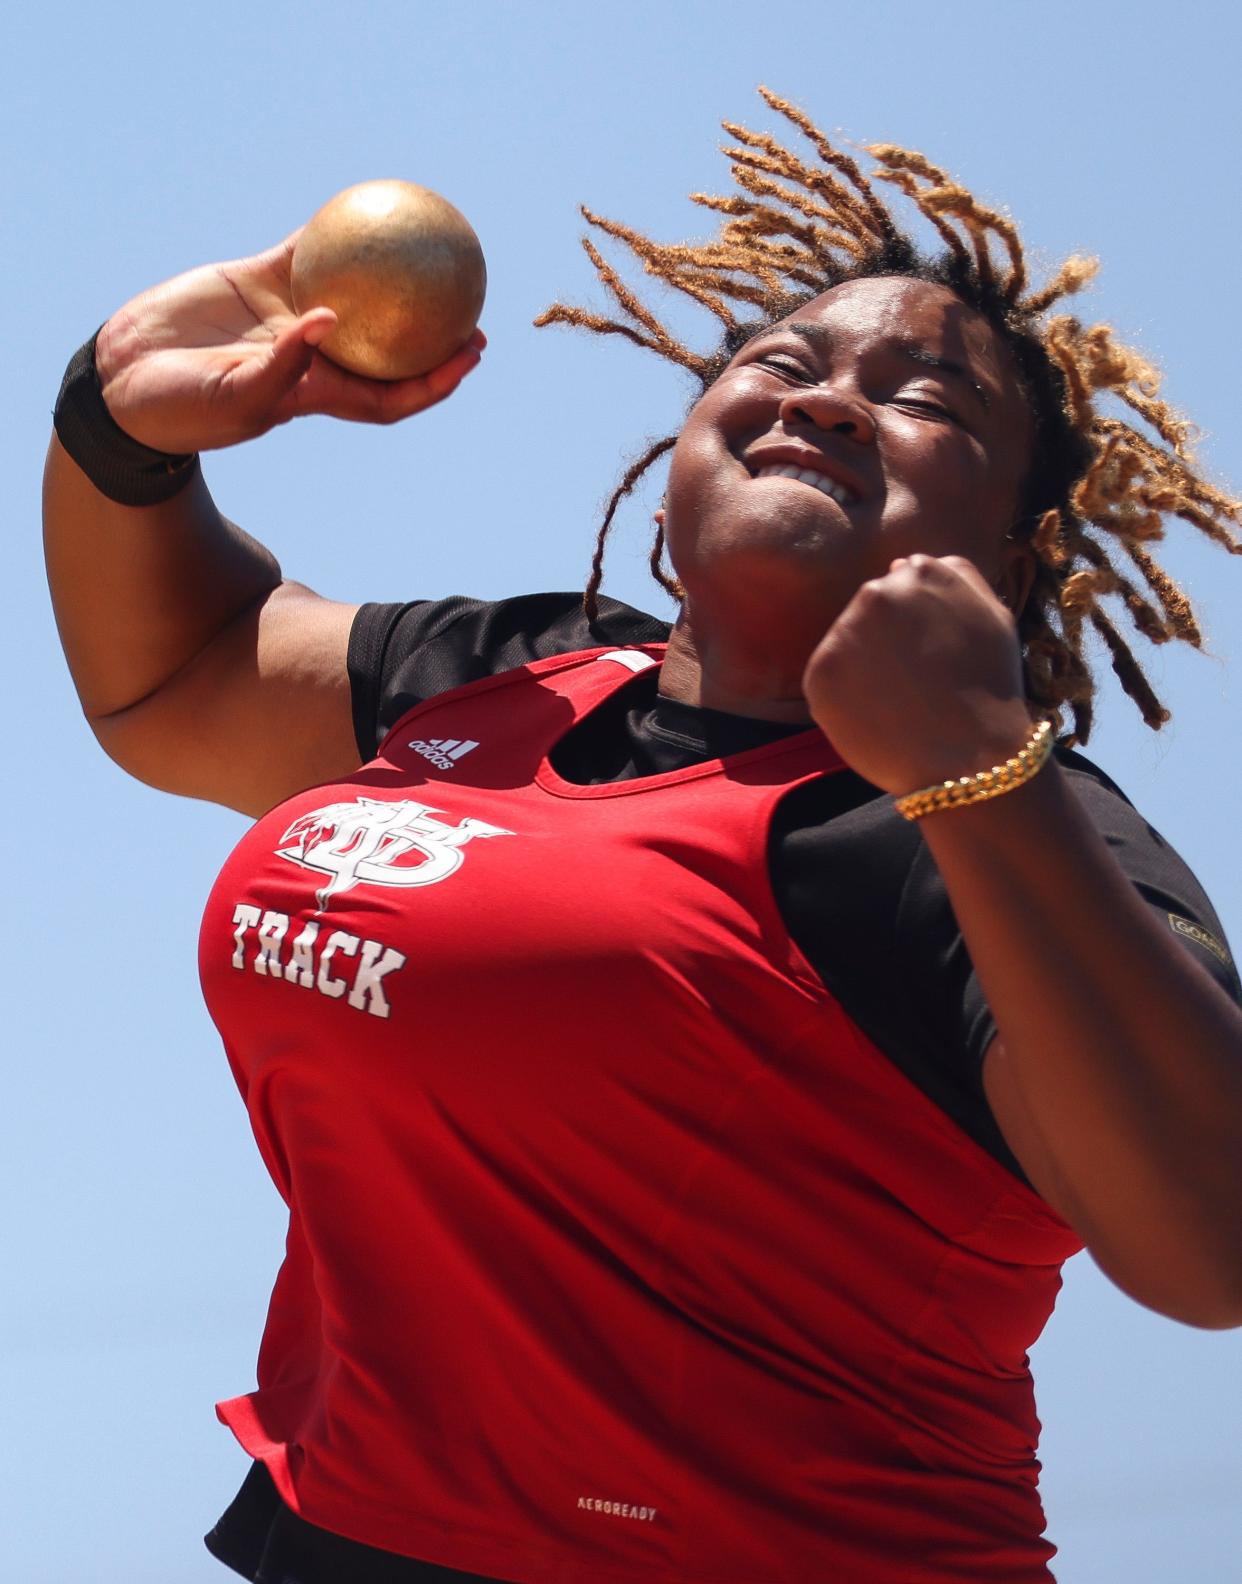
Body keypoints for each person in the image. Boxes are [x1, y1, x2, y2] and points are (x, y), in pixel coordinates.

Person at [44, 88, 1242, 1584]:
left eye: (925, 401)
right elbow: (176, 678)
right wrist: (113, 424)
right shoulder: (501, 676)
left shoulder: (983, 827)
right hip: (346, 1540)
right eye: (781, 363)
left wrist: (981, 773)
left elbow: (1209, 1248)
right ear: (678, 453)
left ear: (1010, 548)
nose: (824, 400)